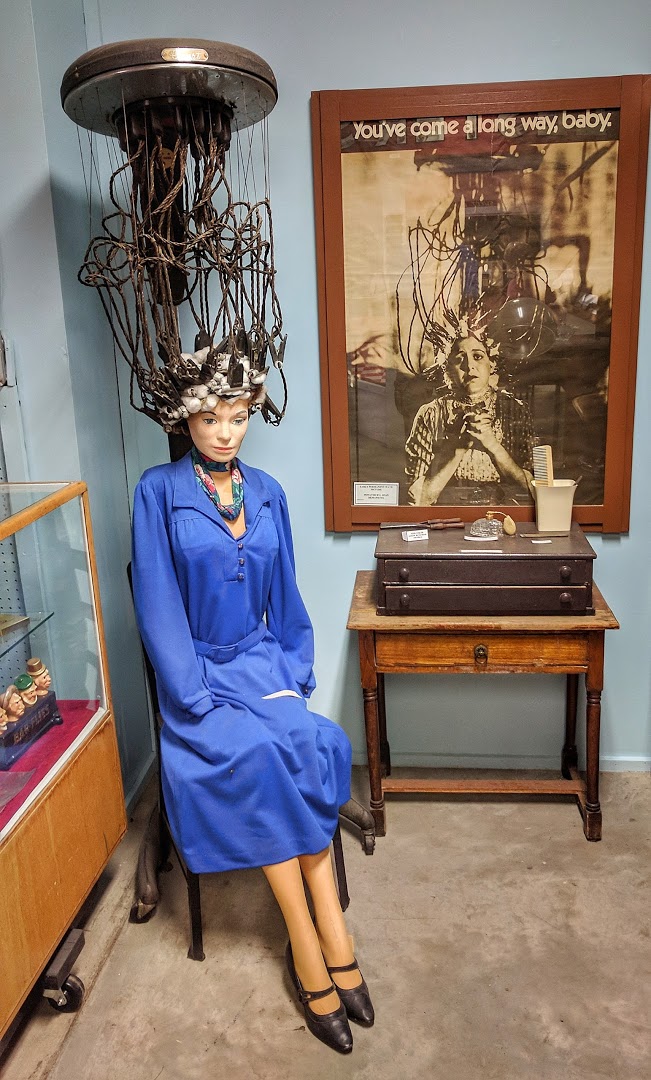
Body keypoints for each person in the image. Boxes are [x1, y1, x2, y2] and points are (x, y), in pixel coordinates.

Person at [131, 347, 373, 1055]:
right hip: (199, 677)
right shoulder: (157, 491)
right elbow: (156, 603)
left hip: (262, 665)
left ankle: (330, 926)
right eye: (211, 418)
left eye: (237, 418)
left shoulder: (266, 492)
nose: (226, 433)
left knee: (311, 741)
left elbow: (284, 595)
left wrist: (294, 673)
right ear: (187, 419)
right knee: (259, 757)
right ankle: (310, 943)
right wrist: (191, 696)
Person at [405, 331, 534, 505]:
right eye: (460, 359)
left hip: (504, 512)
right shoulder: (430, 414)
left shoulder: (515, 410)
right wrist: (458, 448)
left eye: (478, 356)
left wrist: (492, 444)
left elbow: (533, 492)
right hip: (448, 514)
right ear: (448, 369)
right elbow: (417, 500)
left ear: (492, 364)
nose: (470, 366)